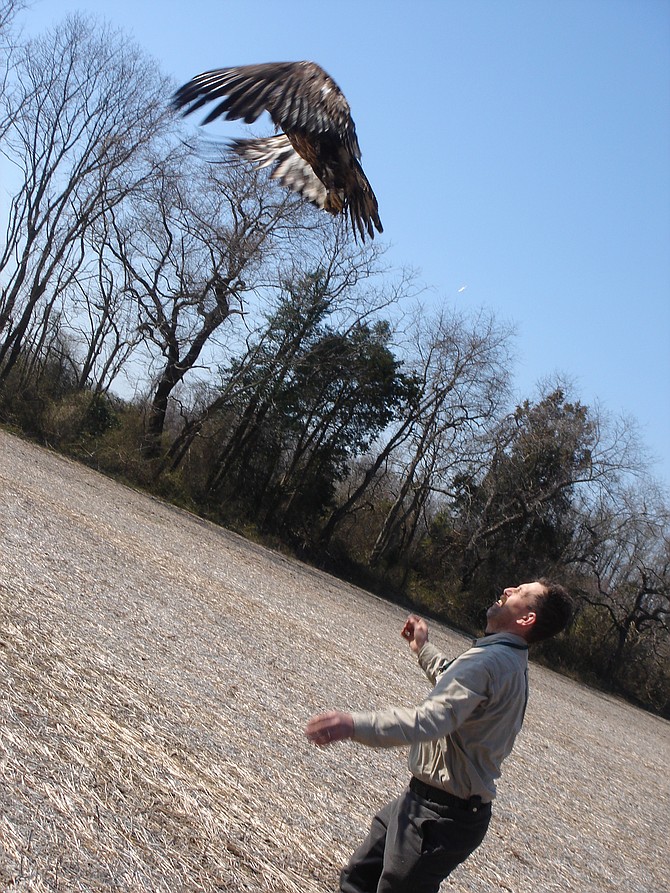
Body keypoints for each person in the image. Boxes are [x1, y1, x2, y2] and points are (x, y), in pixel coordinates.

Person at [304, 578, 573, 893]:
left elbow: (431, 720)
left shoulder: (492, 661)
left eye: (520, 592)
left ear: (527, 619)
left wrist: (353, 724)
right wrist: (423, 649)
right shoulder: (503, 659)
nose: (507, 590)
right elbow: (455, 684)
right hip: (425, 802)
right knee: (358, 878)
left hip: (441, 816)